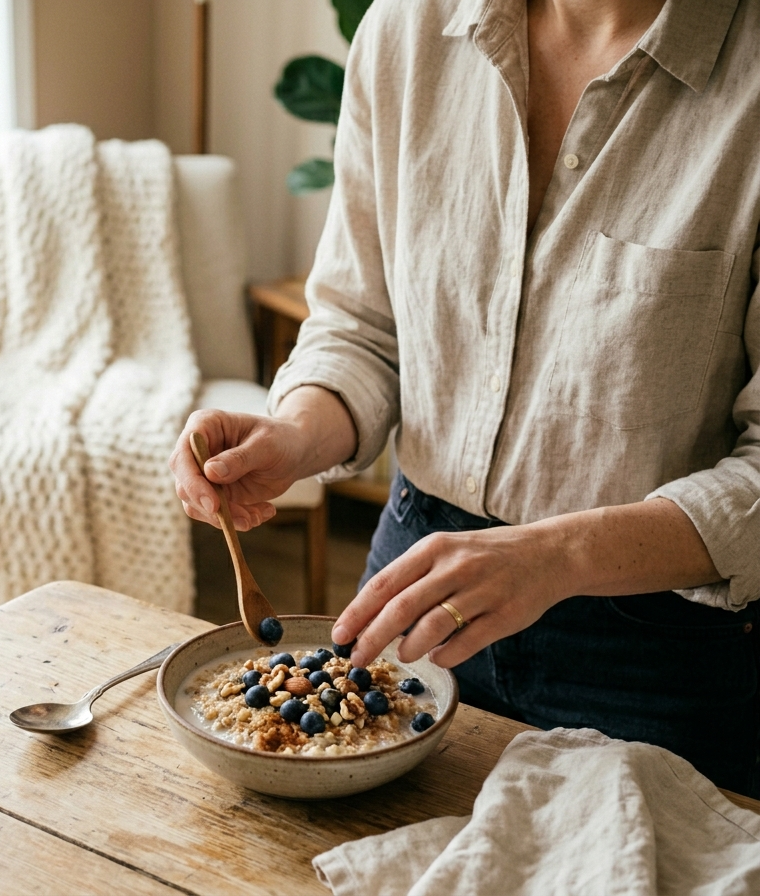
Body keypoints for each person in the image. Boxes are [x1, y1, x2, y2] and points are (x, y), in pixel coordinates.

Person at [170, 0, 760, 797]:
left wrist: (557, 556)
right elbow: (362, 324)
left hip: (656, 649)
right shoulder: (407, 29)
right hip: (412, 593)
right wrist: (296, 432)